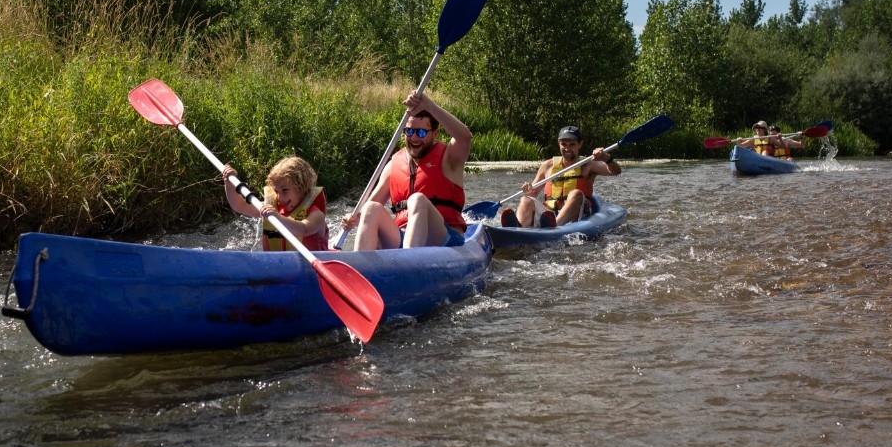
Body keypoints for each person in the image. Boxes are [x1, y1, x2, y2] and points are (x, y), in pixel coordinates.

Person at [341, 91, 471, 250]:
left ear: (435, 134)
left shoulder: (449, 158)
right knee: (370, 208)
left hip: (445, 239)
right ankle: (360, 268)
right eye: (409, 131)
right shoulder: (393, 165)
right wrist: (352, 219)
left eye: (421, 132)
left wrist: (429, 105)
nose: (414, 138)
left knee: (417, 199)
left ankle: (410, 260)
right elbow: (365, 211)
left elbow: (464, 138)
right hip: (402, 239)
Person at [502, 125, 621, 228]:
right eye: (564, 144)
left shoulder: (588, 164)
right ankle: (518, 229)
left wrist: (607, 158)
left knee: (575, 193)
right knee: (525, 200)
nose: (567, 148)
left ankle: (555, 226)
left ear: (580, 144)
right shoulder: (547, 165)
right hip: (549, 214)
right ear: (559, 144)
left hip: (577, 214)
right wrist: (528, 190)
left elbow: (616, 171)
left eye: (572, 144)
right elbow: (533, 194)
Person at [222, 155, 328, 251]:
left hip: (311, 270)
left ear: (302, 187)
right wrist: (229, 184)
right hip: (277, 266)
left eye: (285, 190)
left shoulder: (317, 215)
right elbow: (239, 206)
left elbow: (304, 229)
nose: (279, 197)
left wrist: (278, 218)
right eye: (276, 191)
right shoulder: (273, 208)